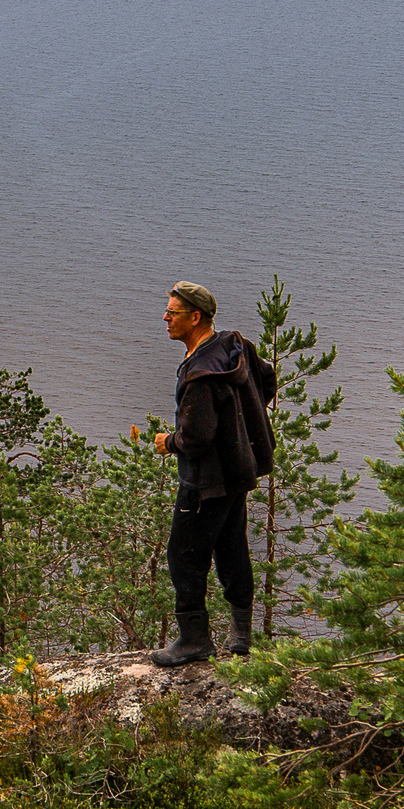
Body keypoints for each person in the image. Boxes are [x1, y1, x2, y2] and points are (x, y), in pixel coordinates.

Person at [149, 281, 274, 667]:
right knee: (232, 549)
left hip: (204, 483)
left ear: (195, 317)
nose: (165, 318)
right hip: (237, 471)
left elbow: (197, 437)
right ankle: (240, 635)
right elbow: (265, 381)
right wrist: (236, 433)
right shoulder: (234, 346)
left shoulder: (199, 374)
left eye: (173, 313)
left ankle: (193, 640)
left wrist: (168, 442)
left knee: (184, 556)